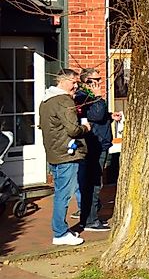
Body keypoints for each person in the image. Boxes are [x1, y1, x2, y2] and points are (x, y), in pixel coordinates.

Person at [40, 69, 89, 246]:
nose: (76, 86)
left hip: (54, 152)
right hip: (66, 153)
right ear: (62, 81)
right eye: (73, 82)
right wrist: (86, 128)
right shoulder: (63, 101)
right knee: (63, 194)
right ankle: (60, 233)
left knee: (61, 192)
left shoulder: (46, 100)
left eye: (77, 83)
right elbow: (73, 129)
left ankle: (61, 230)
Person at [74, 68, 121, 232]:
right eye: (95, 80)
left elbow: (100, 115)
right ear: (86, 82)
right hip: (94, 145)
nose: (98, 83)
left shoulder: (91, 98)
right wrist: (99, 97)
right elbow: (95, 115)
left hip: (102, 143)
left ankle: (90, 216)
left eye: (99, 79)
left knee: (94, 182)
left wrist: (110, 116)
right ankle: (90, 220)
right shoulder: (83, 97)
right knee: (93, 184)